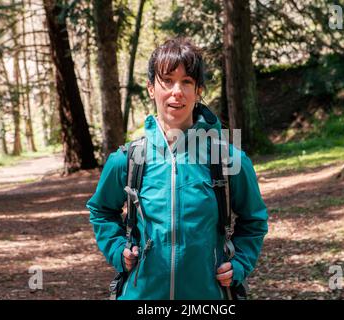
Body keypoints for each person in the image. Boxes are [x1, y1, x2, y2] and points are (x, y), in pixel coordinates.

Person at [86, 37, 268, 300]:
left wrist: (239, 264)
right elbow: (101, 210)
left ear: (198, 90)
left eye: (187, 82)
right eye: (167, 80)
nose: (177, 91)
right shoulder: (127, 159)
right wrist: (117, 250)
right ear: (151, 88)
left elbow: (254, 220)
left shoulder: (228, 158)